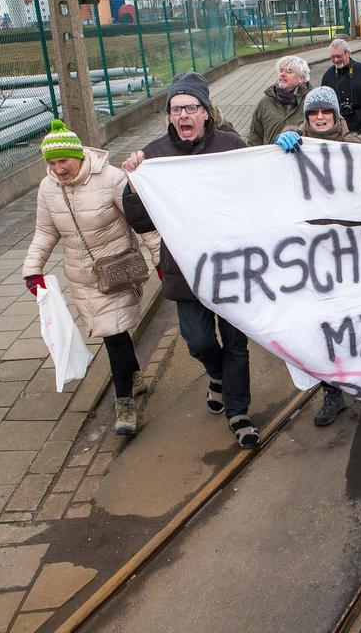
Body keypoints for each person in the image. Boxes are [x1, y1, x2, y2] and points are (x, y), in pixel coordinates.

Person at [121, 72, 260, 447]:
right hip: (185, 272)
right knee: (198, 341)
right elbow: (139, 221)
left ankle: (239, 412)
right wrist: (134, 188)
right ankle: (215, 375)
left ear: (205, 112)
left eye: (191, 107)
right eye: (176, 109)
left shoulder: (232, 146)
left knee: (235, 342)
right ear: (169, 116)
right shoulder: (152, 158)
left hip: (231, 267)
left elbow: (256, 192)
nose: (183, 114)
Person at [23, 120, 161, 436]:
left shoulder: (111, 179)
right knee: (113, 331)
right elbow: (46, 231)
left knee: (112, 332)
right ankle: (135, 377)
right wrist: (32, 269)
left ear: (79, 156)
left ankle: (124, 403)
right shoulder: (48, 188)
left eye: (63, 161)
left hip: (116, 270)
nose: (58, 169)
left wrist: (161, 259)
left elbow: (142, 223)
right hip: (81, 276)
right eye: (52, 163)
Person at [273, 86, 361, 427]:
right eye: (314, 113)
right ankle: (332, 392)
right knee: (321, 324)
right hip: (311, 255)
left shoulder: (355, 146)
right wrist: (278, 146)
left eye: (325, 111)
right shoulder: (292, 146)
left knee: (355, 317)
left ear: (336, 115)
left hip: (351, 249)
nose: (320, 117)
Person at [321, 38, 361, 142]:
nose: (336, 60)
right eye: (333, 57)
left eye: (339, 56)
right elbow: (323, 103)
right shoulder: (328, 76)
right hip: (337, 132)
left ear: (348, 53)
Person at [248, 55, 311, 146]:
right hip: (271, 158)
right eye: (281, 71)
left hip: (301, 157)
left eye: (289, 71)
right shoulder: (265, 101)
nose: (283, 74)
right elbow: (254, 137)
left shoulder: (311, 101)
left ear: (301, 78)